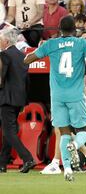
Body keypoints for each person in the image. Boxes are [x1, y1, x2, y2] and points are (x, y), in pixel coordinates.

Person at [24, 15, 86, 181]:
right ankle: (75, 146)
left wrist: (38, 51)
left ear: (59, 29)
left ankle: (67, 169)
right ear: (75, 29)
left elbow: (27, 59)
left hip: (57, 96)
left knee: (64, 131)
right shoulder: (81, 43)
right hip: (75, 95)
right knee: (82, 131)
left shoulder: (51, 44)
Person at [0, 28, 35, 173]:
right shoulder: (23, 56)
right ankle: (2, 163)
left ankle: (28, 158)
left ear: (6, 41)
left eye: (1, 39)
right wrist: (24, 100)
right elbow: (27, 80)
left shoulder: (3, 55)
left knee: (8, 132)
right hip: (19, 99)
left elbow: (1, 78)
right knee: (10, 131)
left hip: (6, 98)